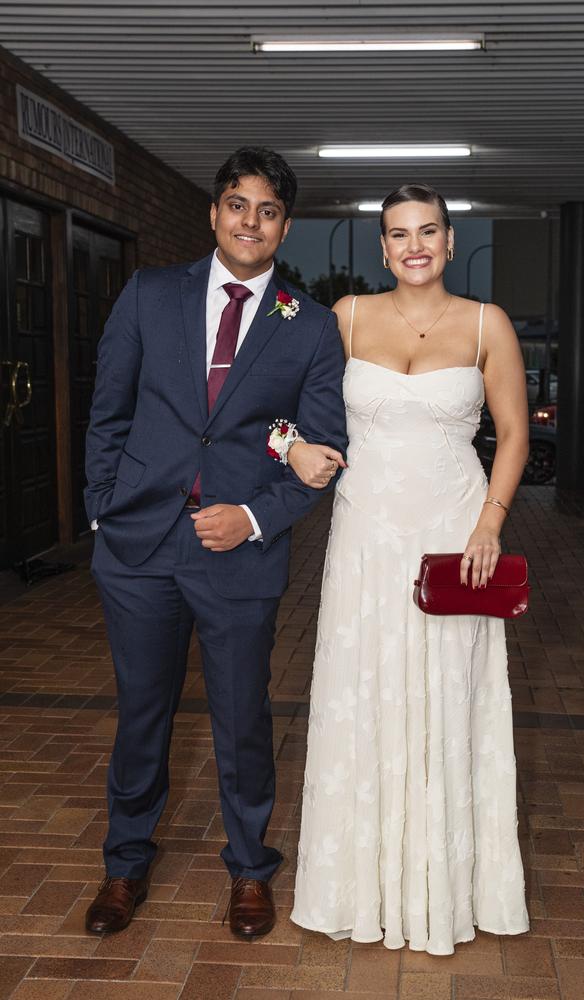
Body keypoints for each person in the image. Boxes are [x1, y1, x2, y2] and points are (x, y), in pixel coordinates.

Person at [83, 146, 347, 938]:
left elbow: (322, 452)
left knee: (241, 721)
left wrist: (255, 518)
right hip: (138, 549)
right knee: (141, 715)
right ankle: (125, 865)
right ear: (215, 212)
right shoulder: (150, 294)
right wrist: (103, 509)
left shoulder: (310, 327)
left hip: (240, 551)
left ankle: (249, 870)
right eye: (238, 205)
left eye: (267, 211)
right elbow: (110, 410)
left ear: (284, 227)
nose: (250, 222)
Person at [288, 184, 530, 954]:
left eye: (429, 231)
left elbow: (515, 433)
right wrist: (290, 448)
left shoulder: (487, 324)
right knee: (362, 692)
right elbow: (280, 406)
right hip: (365, 535)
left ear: (451, 242)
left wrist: (490, 521)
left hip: (456, 536)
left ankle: (444, 885)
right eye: (398, 234)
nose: (414, 245)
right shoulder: (346, 317)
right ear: (382, 247)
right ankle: (360, 886)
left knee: (450, 696)